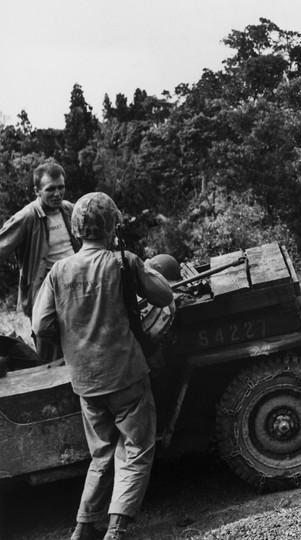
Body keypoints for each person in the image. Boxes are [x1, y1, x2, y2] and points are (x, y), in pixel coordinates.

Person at [32, 192, 173, 540]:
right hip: (125, 374)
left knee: (102, 453)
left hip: (85, 380)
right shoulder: (123, 262)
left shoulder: (59, 271)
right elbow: (165, 296)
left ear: (78, 229)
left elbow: (40, 326)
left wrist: (74, 341)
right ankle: (118, 528)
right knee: (137, 448)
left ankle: (83, 526)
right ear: (112, 226)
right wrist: (145, 268)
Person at [0, 162, 80, 359]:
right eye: (50, 189)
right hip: (45, 292)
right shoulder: (28, 216)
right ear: (37, 191)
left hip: (77, 287)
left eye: (61, 187)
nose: (57, 193)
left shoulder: (70, 210)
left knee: (79, 343)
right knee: (51, 352)